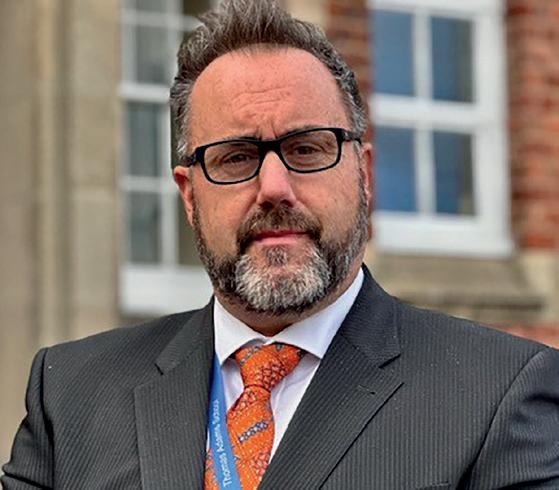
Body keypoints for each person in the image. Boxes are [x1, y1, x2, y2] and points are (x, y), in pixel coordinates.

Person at [3, 0, 559, 488]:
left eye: (307, 149)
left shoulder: (500, 394)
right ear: (189, 195)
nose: (274, 187)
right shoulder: (70, 394)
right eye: (235, 157)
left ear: (363, 174)